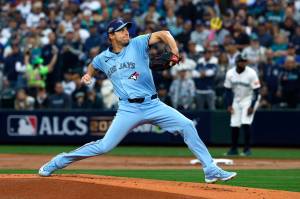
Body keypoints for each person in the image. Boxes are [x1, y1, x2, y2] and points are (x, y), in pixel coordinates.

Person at [39, 19, 236, 183]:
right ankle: (58, 162)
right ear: (111, 36)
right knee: (104, 146)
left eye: (126, 29)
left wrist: (175, 52)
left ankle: (210, 169)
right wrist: (88, 75)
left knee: (186, 125)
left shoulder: (138, 43)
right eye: (120, 30)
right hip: (128, 109)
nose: (126, 32)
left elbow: (164, 34)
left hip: (153, 104)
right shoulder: (102, 58)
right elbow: (93, 65)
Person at [224, 54, 261, 156]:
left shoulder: (251, 73)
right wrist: (229, 104)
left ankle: (247, 149)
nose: (243, 63)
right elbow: (227, 90)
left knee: (246, 122)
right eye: (241, 61)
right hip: (236, 99)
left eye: (244, 61)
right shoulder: (230, 73)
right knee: (234, 124)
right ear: (237, 62)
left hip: (249, 98)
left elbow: (257, 91)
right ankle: (233, 149)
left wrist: (252, 106)